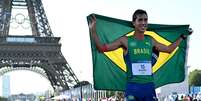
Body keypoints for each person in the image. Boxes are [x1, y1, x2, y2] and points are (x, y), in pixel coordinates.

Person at [88, 9, 192, 101]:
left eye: (145, 20)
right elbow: (101, 48)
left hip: (149, 87)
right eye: (140, 20)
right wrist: (93, 30)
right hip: (132, 88)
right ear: (134, 22)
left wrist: (182, 37)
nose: (143, 23)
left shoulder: (150, 41)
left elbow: (169, 49)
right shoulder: (125, 41)